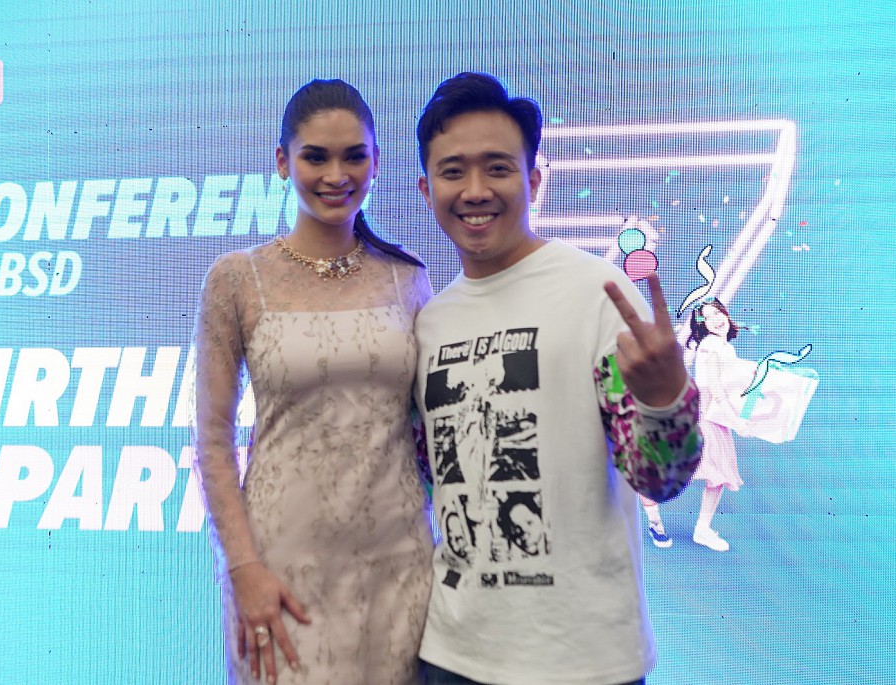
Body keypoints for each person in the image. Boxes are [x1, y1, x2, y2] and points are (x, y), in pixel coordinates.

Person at [412, 72, 704, 685]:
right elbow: (425, 476)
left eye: (497, 168)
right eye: (452, 171)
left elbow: (660, 478)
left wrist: (664, 400)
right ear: (426, 188)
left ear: (533, 180)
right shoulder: (429, 323)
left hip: (585, 660)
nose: (475, 190)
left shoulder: (599, 293)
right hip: (451, 653)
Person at [191, 79, 433, 685]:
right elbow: (212, 442)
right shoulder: (238, 279)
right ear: (282, 162)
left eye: (354, 156)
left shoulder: (408, 279)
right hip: (278, 572)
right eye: (315, 157)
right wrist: (243, 569)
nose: (336, 174)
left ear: (376, 162)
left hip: (400, 568)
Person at [641, 297, 748, 552]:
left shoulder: (720, 345)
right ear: (703, 325)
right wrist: (737, 422)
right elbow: (716, 390)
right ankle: (655, 520)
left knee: (717, 476)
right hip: (702, 418)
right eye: (708, 318)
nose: (716, 320)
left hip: (712, 418)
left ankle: (701, 529)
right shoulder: (712, 345)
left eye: (718, 313)